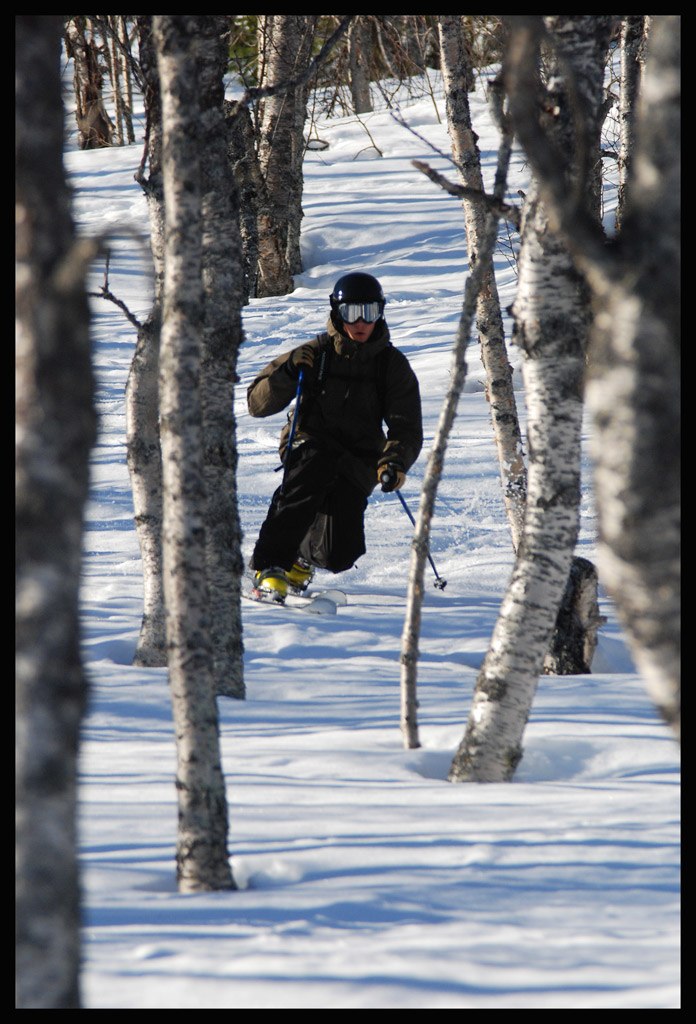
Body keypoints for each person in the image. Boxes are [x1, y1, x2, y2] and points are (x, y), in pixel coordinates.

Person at [247, 271, 423, 602]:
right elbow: (257, 404)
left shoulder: (392, 366)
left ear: (381, 313)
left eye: (369, 312)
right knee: (310, 475)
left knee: (340, 553)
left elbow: (407, 426)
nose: (361, 322)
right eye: (351, 312)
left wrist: (395, 461)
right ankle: (269, 566)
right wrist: (287, 372)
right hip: (309, 441)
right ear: (337, 313)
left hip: (359, 456)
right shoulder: (316, 353)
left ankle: (300, 560)